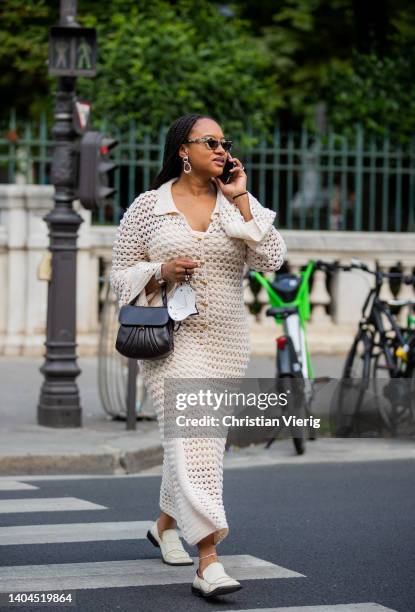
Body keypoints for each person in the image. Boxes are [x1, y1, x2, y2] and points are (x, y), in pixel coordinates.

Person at [110, 113, 287, 598]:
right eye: (209, 140)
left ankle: (165, 523)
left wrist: (242, 197)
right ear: (183, 150)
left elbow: (272, 259)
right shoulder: (149, 207)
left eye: (223, 141)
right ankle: (209, 561)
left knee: (197, 442)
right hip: (172, 340)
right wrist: (161, 270)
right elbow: (118, 277)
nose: (220, 148)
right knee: (196, 438)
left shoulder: (233, 203)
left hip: (227, 341)